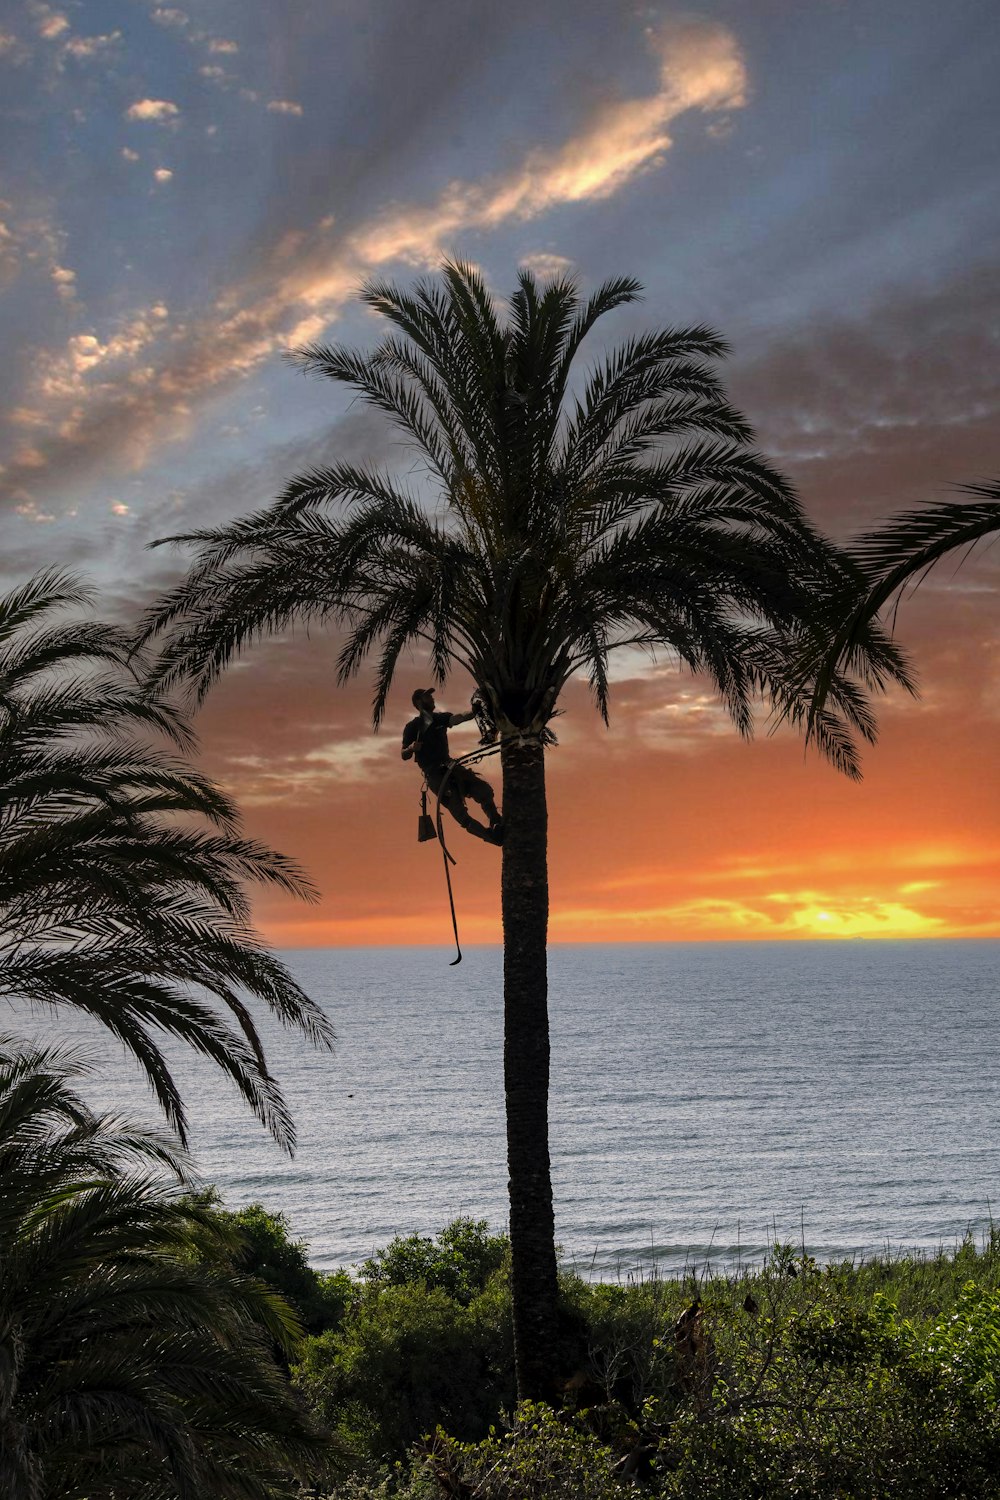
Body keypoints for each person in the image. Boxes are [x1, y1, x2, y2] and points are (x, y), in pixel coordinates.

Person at [402, 687, 503, 846]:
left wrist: (473, 713)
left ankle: (496, 823)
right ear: (419, 702)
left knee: (483, 790)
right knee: (459, 812)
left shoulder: (439, 718)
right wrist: (411, 748)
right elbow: (404, 754)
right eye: (428, 697)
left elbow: (457, 719)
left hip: (451, 767)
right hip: (434, 774)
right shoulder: (412, 727)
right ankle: (491, 837)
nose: (432, 699)